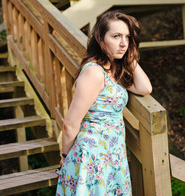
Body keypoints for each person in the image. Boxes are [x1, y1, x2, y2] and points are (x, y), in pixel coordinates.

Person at [56, 11, 152, 195]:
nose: (123, 43)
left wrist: (130, 57)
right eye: (116, 36)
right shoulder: (94, 73)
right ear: (101, 39)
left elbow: (145, 88)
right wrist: (65, 157)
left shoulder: (113, 72)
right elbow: (70, 124)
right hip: (92, 156)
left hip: (112, 155)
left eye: (127, 38)